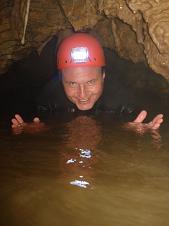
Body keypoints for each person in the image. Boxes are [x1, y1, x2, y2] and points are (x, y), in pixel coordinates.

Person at [11, 32, 163, 133]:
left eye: (90, 82)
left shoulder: (122, 100)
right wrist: (39, 128)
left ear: (103, 76)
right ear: (60, 79)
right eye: (72, 83)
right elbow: (43, 124)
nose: (82, 94)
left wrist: (128, 128)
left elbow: (131, 125)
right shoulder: (48, 98)